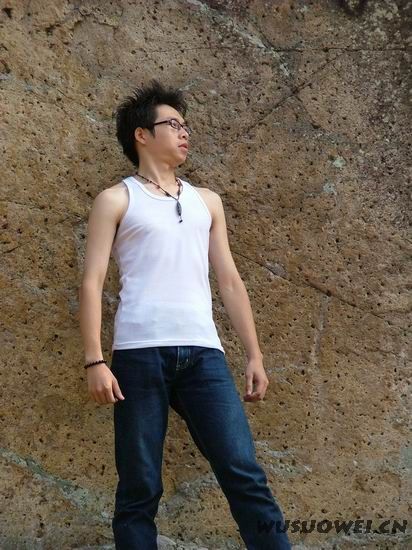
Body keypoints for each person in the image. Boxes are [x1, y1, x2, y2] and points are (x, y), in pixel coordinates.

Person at [79, 79, 291, 550]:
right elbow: (92, 281)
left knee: (243, 471)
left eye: (185, 125)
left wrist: (254, 355)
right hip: (138, 355)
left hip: (203, 355)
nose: (184, 132)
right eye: (172, 124)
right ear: (141, 134)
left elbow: (229, 280)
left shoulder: (206, 201)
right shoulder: (116, 199)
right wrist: (95, 360)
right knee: (139, 486)